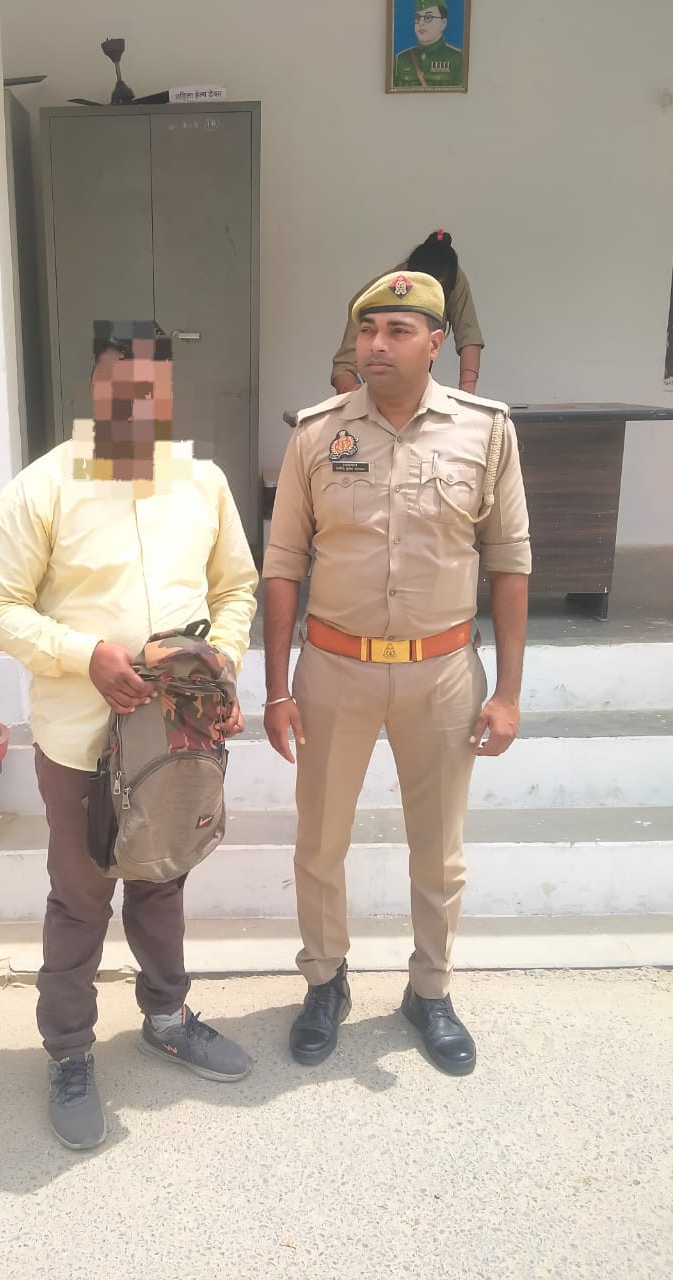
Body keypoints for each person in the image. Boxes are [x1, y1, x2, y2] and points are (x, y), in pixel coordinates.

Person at [0, 321, 258, 1151]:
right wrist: (83, 655)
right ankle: (69, 1052)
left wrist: (220, 667)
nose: (135, 402)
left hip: (177, 733)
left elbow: (235, 588)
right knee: (82, 894)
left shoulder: (202, 483)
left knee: (162, 878)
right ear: (95, 387)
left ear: (169, 393)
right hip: (81, 742)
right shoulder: (41, 489)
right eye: (118, 384)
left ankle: (167, 1018)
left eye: (151, 387)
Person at [263, 272, 530, 1075]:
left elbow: (509, 561)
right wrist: (276, 689)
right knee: (319, 843)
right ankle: (325, 982)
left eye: (397, 331)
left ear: (436, 343)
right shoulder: (316, 433)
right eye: (367, 329)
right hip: (334, 670)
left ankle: (430, 990)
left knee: (439, 851)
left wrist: (508, 692)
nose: (376, 345)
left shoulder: (486, 433)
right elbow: (283, 563)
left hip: (441, 672)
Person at [332, 230, 483, 394]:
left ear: (434, 343)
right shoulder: (383, 292)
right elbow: (344, 366)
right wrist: (354, 396)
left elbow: (469, 335)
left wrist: (466, 398)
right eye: (398, 331)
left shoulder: (450, 277)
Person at [392, 2, 464, 90]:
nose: (421, 23)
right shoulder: (400, 60)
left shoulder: (458, 59)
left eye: (428, 18)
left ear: (443, 23)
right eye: (417, 18)